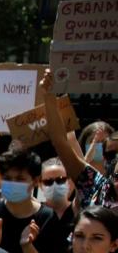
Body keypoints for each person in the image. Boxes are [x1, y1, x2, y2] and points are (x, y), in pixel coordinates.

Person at [42, 69, 118, 210]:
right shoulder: (93, 183)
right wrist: (49, 96)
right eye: (110, 154)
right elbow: (60, 141)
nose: (115, 159)